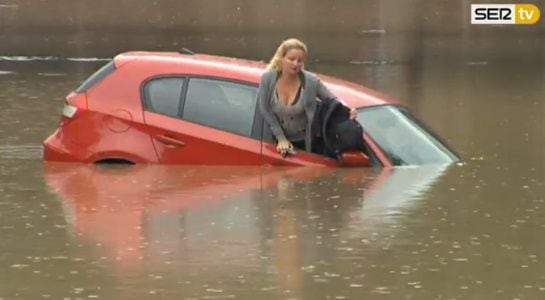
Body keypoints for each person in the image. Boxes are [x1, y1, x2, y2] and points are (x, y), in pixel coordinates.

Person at [257, 38, 357, 157]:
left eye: (300, 60)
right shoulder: (267, 79)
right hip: (273, 143)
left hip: (305, 143)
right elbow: (265, 109)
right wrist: (281, 138)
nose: (296, 64)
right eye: (291, 59)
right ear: (281, 58)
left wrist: (348, 111)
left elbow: (331, 100)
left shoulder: (311, 81)